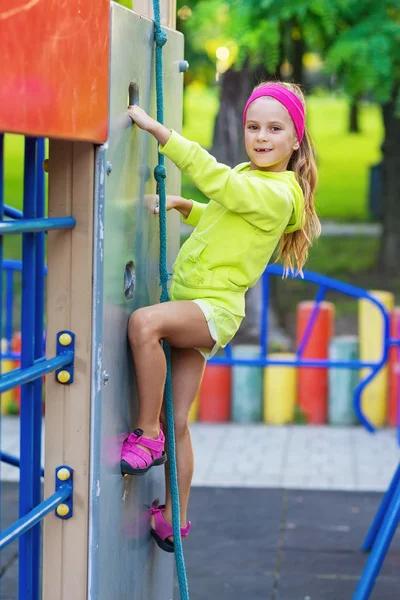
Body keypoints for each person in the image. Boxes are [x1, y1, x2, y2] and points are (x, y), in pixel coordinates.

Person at [120, 81, 321, 553]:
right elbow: (226, 208)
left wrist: (161, 133)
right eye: (254, 126)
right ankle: (174, 519)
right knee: (181, 422)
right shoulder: (255, 179)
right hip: (198, 301)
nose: (261, 136)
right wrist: (186, 207)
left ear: (297, 140)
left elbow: (222, 184)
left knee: (144, 324)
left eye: (275, 128)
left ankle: (147, 435)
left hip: (212, 308)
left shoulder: (278, 193)